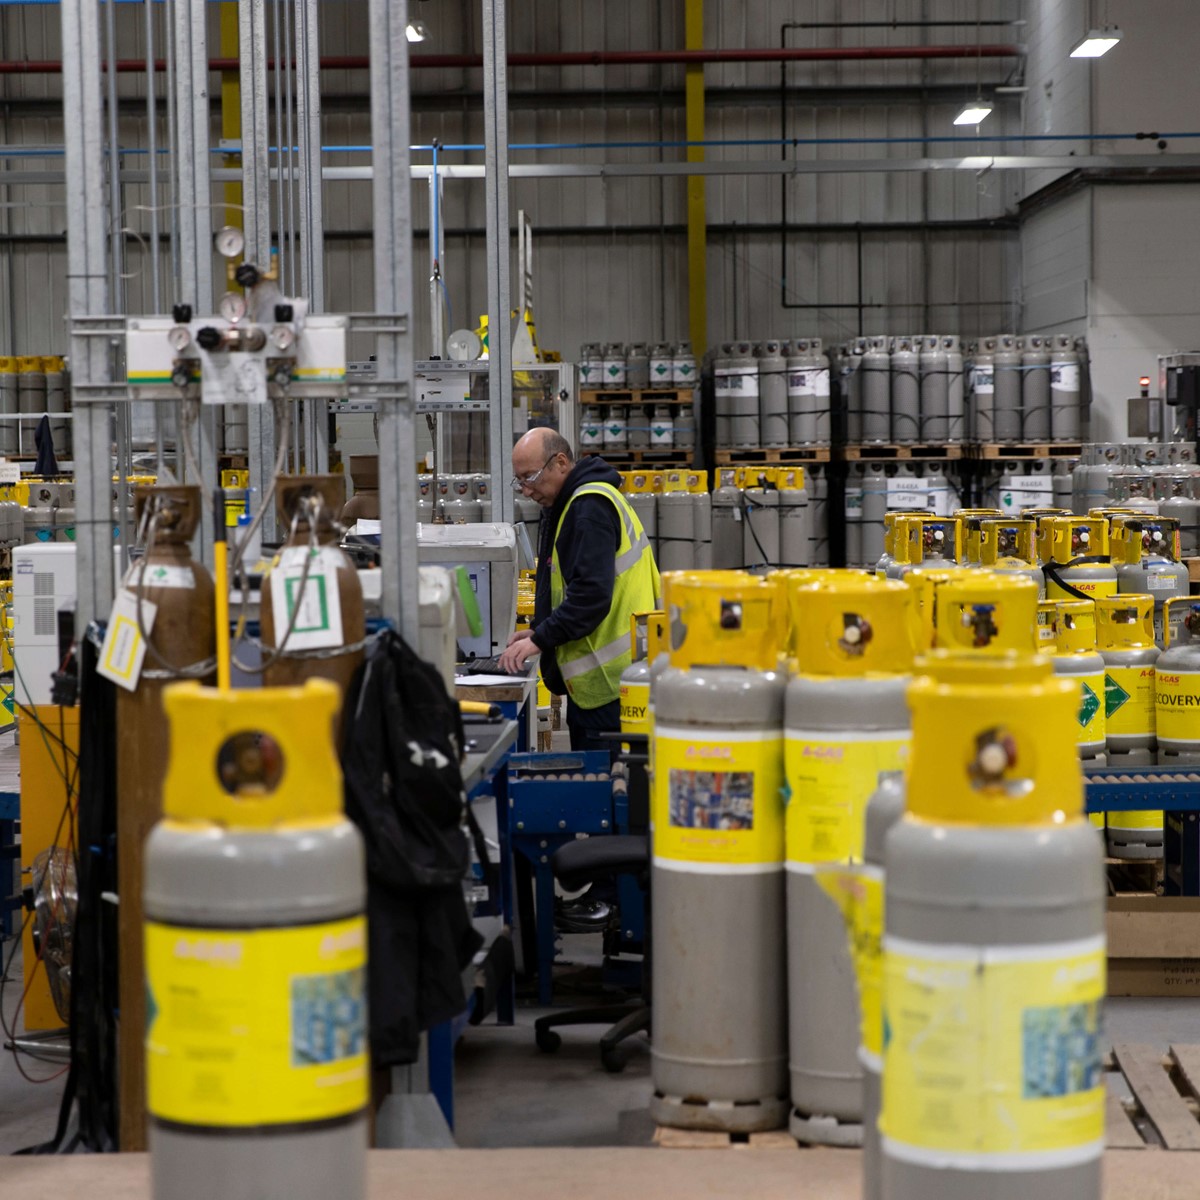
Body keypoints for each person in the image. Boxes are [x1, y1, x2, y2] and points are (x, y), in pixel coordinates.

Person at [498, 428, 660, 752]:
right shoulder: (571, 505)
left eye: (530, 476)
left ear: (560, 462)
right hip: (608, 684)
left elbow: (590, 596)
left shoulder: (589, 508)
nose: (527, 490)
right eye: (519, 482)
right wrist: (537, 631)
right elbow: (567, 587)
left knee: (611, 791)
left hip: (612, 686)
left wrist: (540, 640)